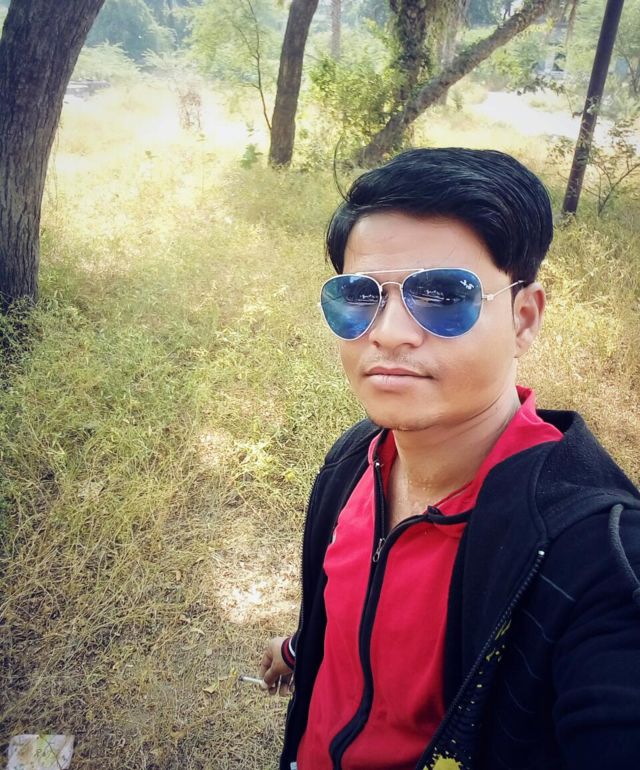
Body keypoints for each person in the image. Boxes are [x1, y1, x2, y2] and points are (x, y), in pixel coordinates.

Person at [258, 148, 640, 770]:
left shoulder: (596, 557)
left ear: (523, 319)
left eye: (441, 295)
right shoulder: (356, 460)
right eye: (359, 296)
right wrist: (305, 647)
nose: (388, 332)